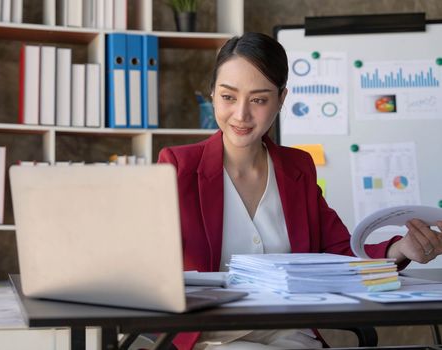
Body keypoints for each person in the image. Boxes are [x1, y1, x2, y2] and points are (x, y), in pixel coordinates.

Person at [157, 32, 442, 350]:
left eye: (259, 100)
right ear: (212, 93)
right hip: (213, 336)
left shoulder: (297, 168)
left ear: (281, 99)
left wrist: (400, 249)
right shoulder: (179, 166)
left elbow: (341, 254)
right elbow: (147, 262)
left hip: (289, 332)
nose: (241, 114)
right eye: (228, 97)